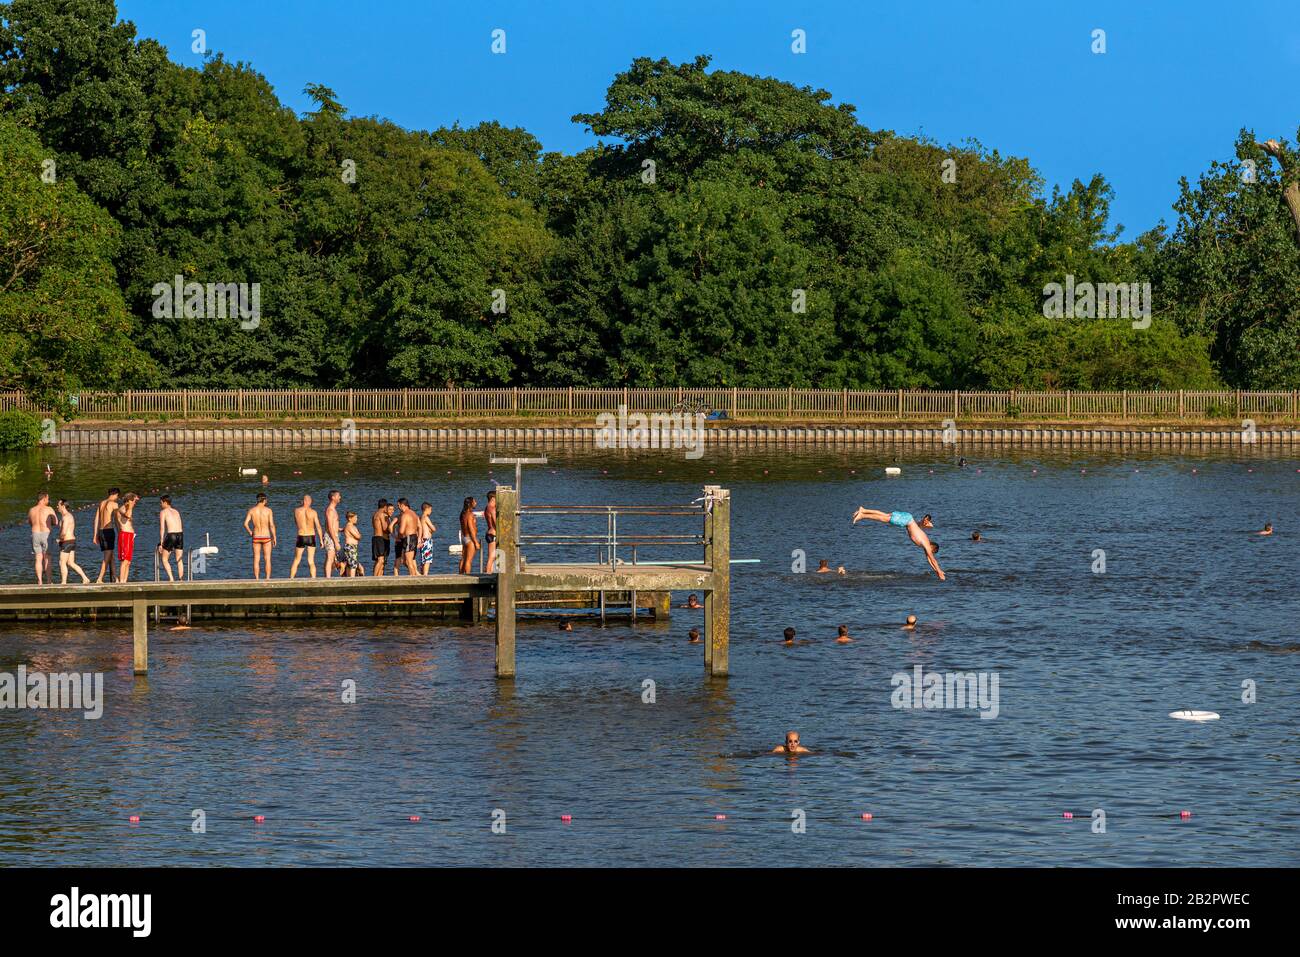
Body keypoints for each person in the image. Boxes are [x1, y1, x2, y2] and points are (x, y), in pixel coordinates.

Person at [851, 507, 945, 581]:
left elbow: (929, 560)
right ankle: (862, 516)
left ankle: (863, 510)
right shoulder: (927, 544)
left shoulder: (925, 544)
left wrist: (937, 571)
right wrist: (940, 572)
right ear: (933, 548)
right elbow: (933, 560)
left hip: (907, 518)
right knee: (884, 518)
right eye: (932, 552)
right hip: (907, 520)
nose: (930, 553)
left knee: (885, 515)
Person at [55, 499, 90, 584]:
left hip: (67, 542)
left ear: (63, 506)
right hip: (72, 541)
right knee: (70, 563)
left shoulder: (66, 517)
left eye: (58, 505)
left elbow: (64, 532)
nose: (57, 507)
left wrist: (59, 539)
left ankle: (63, 582)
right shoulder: (68, 516)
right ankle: (85, 578)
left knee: (62, 562)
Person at [243, 492, 277, 579]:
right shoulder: (268, 510)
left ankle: (257, 579)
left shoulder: (252, 510)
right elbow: (272, 525)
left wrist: (250, 532)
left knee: (256, 559)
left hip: (256, 536)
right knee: (267, 559)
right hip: (266, 537)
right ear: (264, 500)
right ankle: (267, 579)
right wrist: (274, 537)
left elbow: (245, 524)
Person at [289, 494, 323, 579]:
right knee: (311, 561)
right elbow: (318, 526)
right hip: (311, 536)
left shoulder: (296, 511)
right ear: (308, 501)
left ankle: (291, 579)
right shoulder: (313, 512)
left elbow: (296, 522)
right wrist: (321, 540)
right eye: (310, 501)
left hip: (301, 535)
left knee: (296, 560)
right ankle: (313, 579)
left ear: (303, 501)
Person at [27, 492, 57, 584]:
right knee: (47, 558)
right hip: (46, 533)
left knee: (38, 558)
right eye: (48, 498)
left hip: (35, 533)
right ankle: (48, 581)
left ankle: (39, 581)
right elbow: (56, 522)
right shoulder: (49, 509)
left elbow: (30, 522)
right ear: (44, 499)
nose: (48, 500)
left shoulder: (31, 510)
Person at [93, 488, 120, 584]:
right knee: (107, 556)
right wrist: (120, 531)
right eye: (117, 496)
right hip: (108, 531)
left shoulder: (102, 503)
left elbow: (96, 520)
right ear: (115, 494)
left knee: (111, 556)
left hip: (101, 531)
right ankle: (100, 578)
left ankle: (116, 578)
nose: (117, 498)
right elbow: (117, 520)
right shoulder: (114, 504)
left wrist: (95, 535)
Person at [158, 495, 185, 581]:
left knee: (164, 559)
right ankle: (181, 579)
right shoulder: (176, 511)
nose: (160, 504)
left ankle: (171, 579)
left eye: (161, 503)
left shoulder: (163, 512)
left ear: (165, 502)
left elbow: (162, 528)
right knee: (179, 559)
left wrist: (161, 543)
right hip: (180, 535)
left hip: (171, 535)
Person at [115, 493, 140, 583]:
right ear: (129, 501)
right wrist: (130, 506)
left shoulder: (128, 508)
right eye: (134, 501)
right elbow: (127, 515)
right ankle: (121, 582)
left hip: (130, 536)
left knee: (128, 561)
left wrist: (134, 498)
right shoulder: (122, 508)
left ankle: (124, 581)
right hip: (125, 535)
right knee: (124, 560)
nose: (135, 503)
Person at [394, 498, 421, 576]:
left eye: (398, 505)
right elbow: (420, 527)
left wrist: (398, 537)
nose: (398, 507)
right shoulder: (414, 514)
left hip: (408, 538)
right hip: (414, 537)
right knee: (407, 561)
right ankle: (415, 575)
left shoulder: (405, 515)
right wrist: (419, 538)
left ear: (402, 505)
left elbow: (401, 531)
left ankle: (412, 580)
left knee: (409, 561)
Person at [323, 491, 342, 578]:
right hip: (330, 536)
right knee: (330, 558)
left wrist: (342, 529)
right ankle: (328, 578)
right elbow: (330, 527)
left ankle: (327, 577)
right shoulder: (330, 510)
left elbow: (334, 526)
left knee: (330, 558)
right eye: (338, 496)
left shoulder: (333, 510)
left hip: (334, 536)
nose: (340, 497)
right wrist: (335, 542)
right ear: (333, 497)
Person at [371, 499, 392, 576]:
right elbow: (384, 528)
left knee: (378, 560)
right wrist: (391, 527)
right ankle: (374, 578)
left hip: (375, 537)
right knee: (380, 560)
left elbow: (374, 526)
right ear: (385, 506)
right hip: (380, 538)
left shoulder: (374, 514)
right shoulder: (382, 514)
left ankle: (378, 576)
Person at [459, 496, 479, 574]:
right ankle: (468, 576)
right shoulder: (470, 515)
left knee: (463, 559)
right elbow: (471, 529)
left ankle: (460, 574)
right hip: (470, 539)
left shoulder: (463, 514)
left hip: (464, 538)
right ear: (470, 504)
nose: (476, 503)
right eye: (474, 502)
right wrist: (476, 542)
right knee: (468, 561)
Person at [341, 511, 364, 577]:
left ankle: (349, 578)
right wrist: (359, 535)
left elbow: (358, 536)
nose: (356, 519)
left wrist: (359, 535)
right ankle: (352, 579)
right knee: (353, 565)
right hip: (350, 547)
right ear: (350, 518)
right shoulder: (349, 526)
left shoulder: (352, 526)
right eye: (355, 517)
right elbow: (358, 536)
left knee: (350, 564)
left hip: (353, 547)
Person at [417, 502, 436, 575]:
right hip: (427, 541)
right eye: (430, 509)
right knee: (427, 560)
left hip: (423, 540)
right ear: (427, 509)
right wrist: (431, 529)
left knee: (424, 560)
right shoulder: (426, 517)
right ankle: (425, 575)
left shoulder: (420, 517)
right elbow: (433, 529)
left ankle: (422, 574)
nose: (431, 511)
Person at [484, 490, 498, 573]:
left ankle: (491, 572)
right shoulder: (492, 508)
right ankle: (488, 574)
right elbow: (496, 523)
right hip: (493, 534)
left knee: (493, 556)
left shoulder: (486, 507)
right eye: (497, 498)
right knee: (491, 557)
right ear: (493, 498)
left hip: (489, 532)